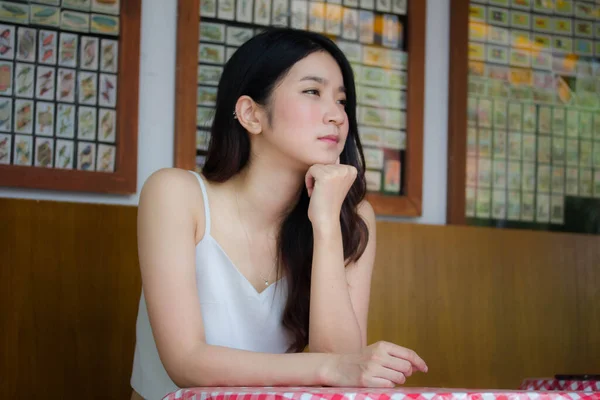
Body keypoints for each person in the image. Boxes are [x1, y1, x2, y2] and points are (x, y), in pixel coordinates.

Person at [130, 27, 427, 400]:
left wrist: (326, 224)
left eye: (341, 100)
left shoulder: (351, 215)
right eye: (312, 92)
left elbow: (343, 363)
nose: (336, 114)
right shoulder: (175, 193)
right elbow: (186, 362)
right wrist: (328, 368)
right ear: (251, 114)